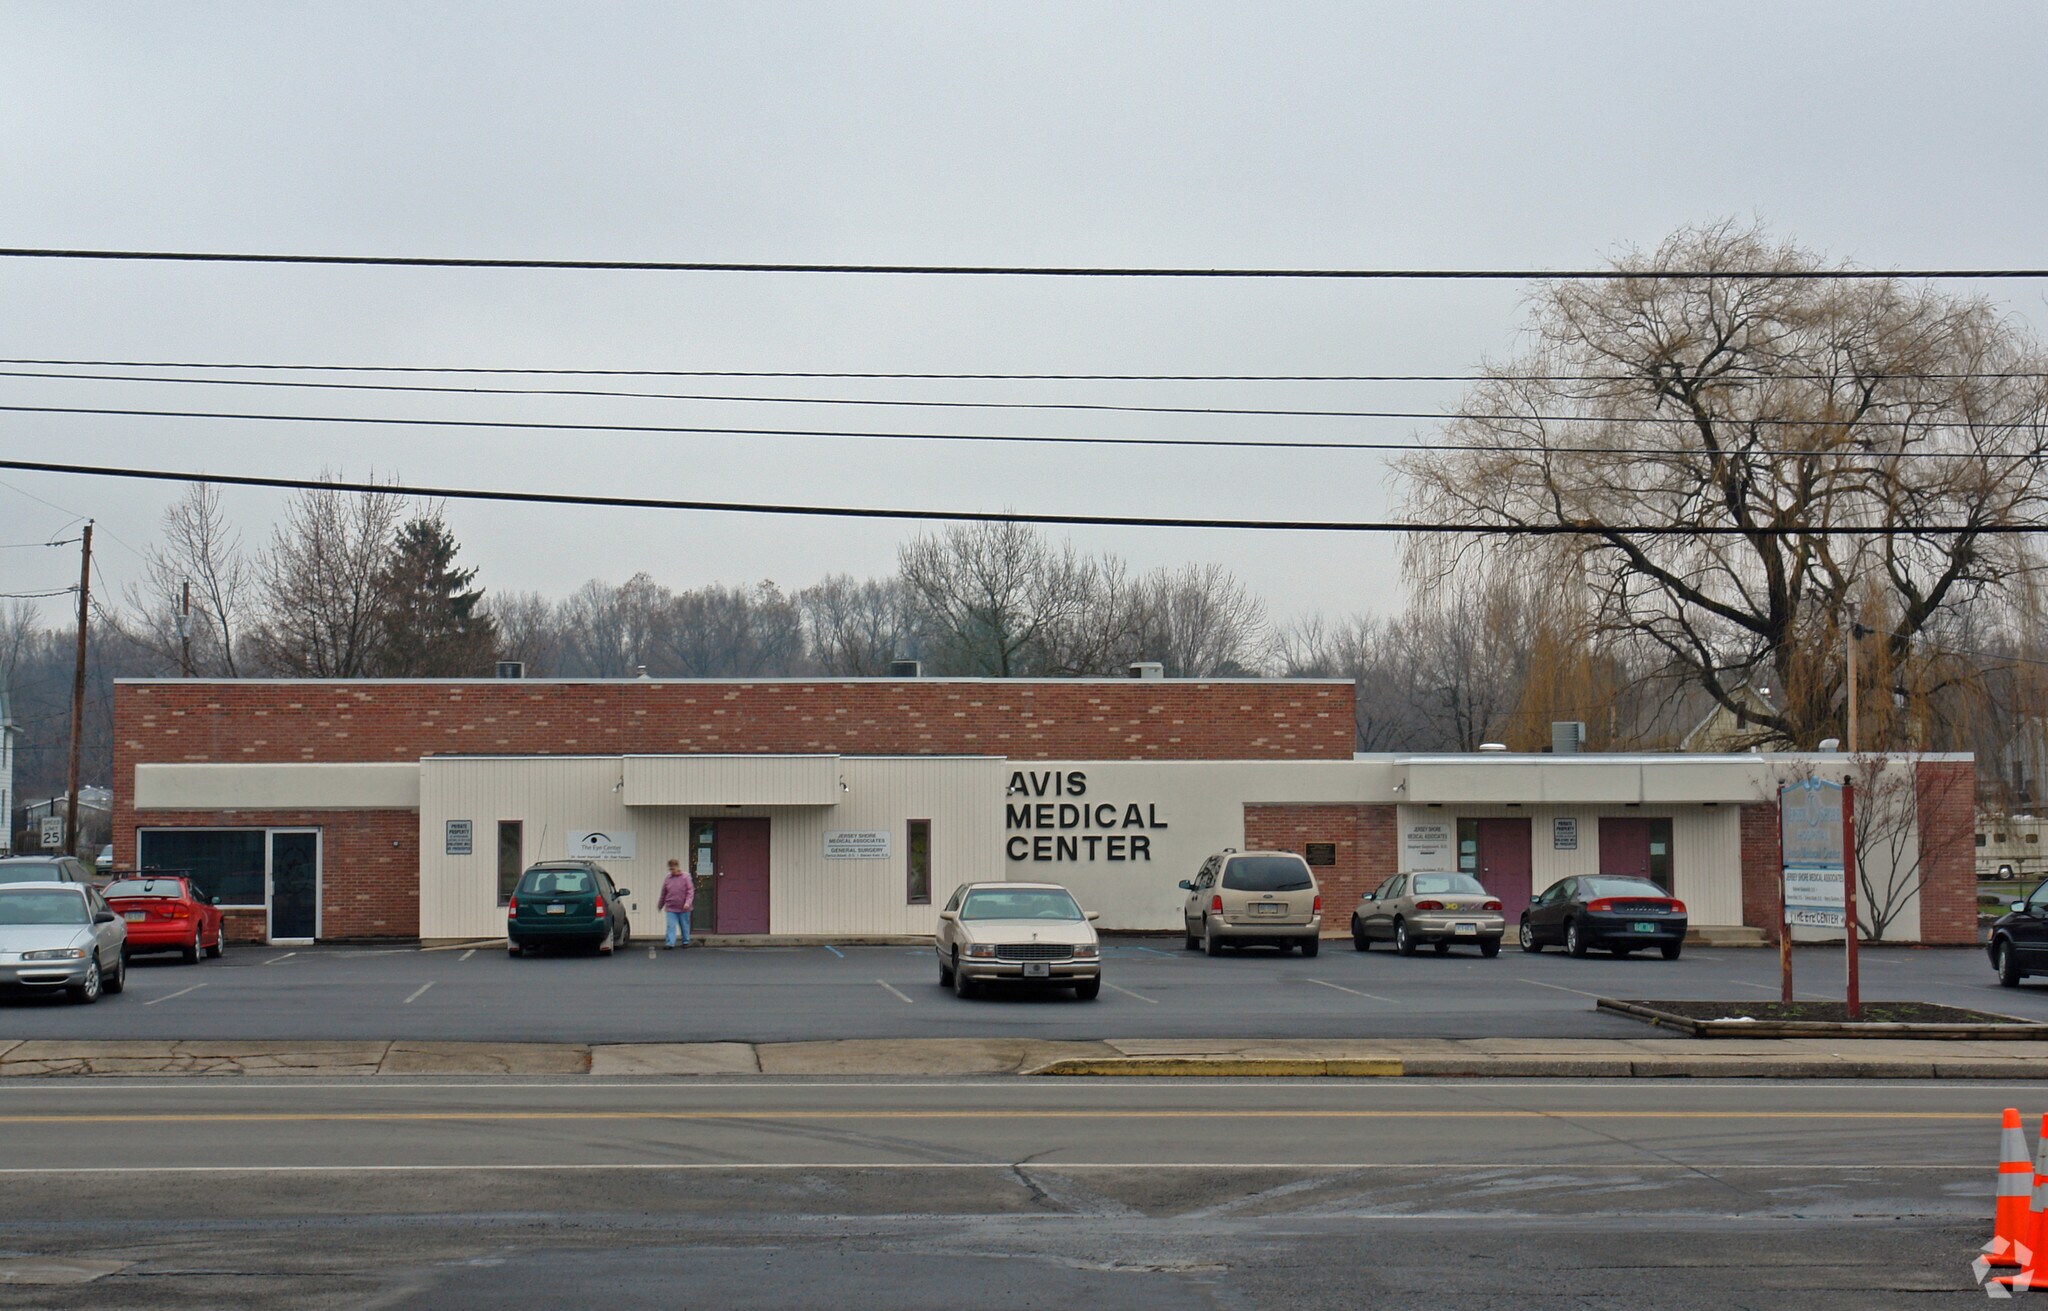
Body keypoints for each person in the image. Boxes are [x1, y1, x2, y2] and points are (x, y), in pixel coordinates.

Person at [658, 857, 695, 949]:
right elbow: (664, 892)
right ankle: (670, 943)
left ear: (677, 867)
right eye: (670, 869)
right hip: (671, 907)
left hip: (684, 907)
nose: (672, 871)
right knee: (671, 925)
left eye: (673, 869)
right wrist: (660, 904)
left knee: (684, 925)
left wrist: (688, 903)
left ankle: (685, 941)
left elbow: (690, 891)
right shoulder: (668, 878)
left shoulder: (685, 877)